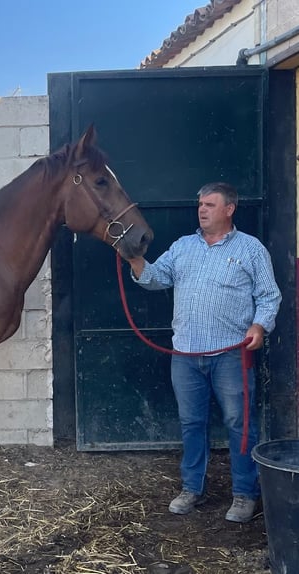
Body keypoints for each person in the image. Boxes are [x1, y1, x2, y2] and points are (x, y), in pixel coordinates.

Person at [127, 182, 281, 523]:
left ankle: (244, 494)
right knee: (191, 423)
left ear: (229, 209)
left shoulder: (250, 249)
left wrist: (259, 326)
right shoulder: (183, 247)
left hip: (230, 355)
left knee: (239, 423)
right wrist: (135, 259)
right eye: (200, 204)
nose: (202, 209)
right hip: (185, 355)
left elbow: (269, 296)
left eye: (210, 204)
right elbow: (155, 278)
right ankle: (192, 487)